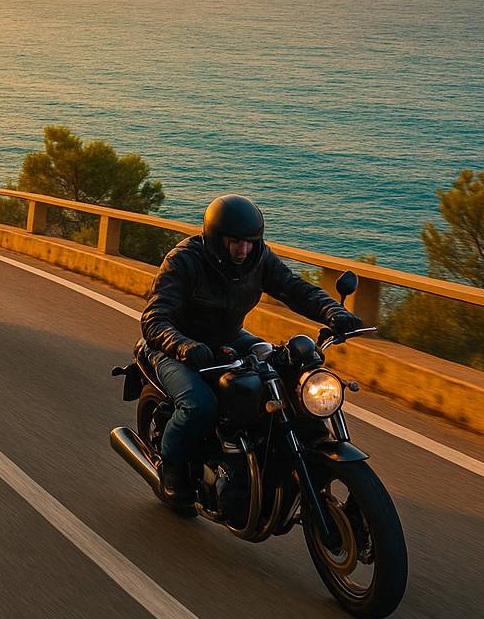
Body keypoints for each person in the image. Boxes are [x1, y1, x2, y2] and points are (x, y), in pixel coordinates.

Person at [140, 193, 360, 508]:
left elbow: (294, 288)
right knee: (199, 405)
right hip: (172, 346)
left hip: (229, 337)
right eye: (235, 242)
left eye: (250, 241)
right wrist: (183, 346)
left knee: (286, 374)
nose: (243, 249)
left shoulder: (258, 258)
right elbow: (154, 318)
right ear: (216, 240)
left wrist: (332, 312)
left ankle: (266, 455)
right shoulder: (185, 261)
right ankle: (171, 468)